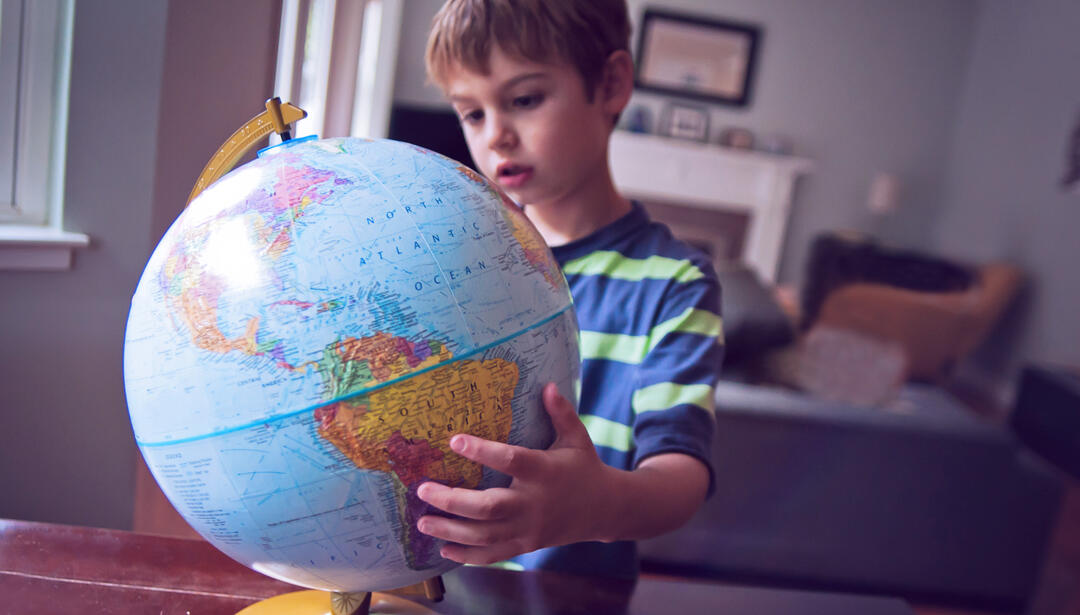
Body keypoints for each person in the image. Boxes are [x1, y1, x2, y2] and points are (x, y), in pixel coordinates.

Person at [415, 0, 724, 580]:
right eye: (472, 113)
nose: (496, 136)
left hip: (572, 597)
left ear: (611, 85)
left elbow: (682, 477)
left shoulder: (675, 283)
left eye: (524, 99)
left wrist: (594, 505)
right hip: (440, 585)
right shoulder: (457, 262)